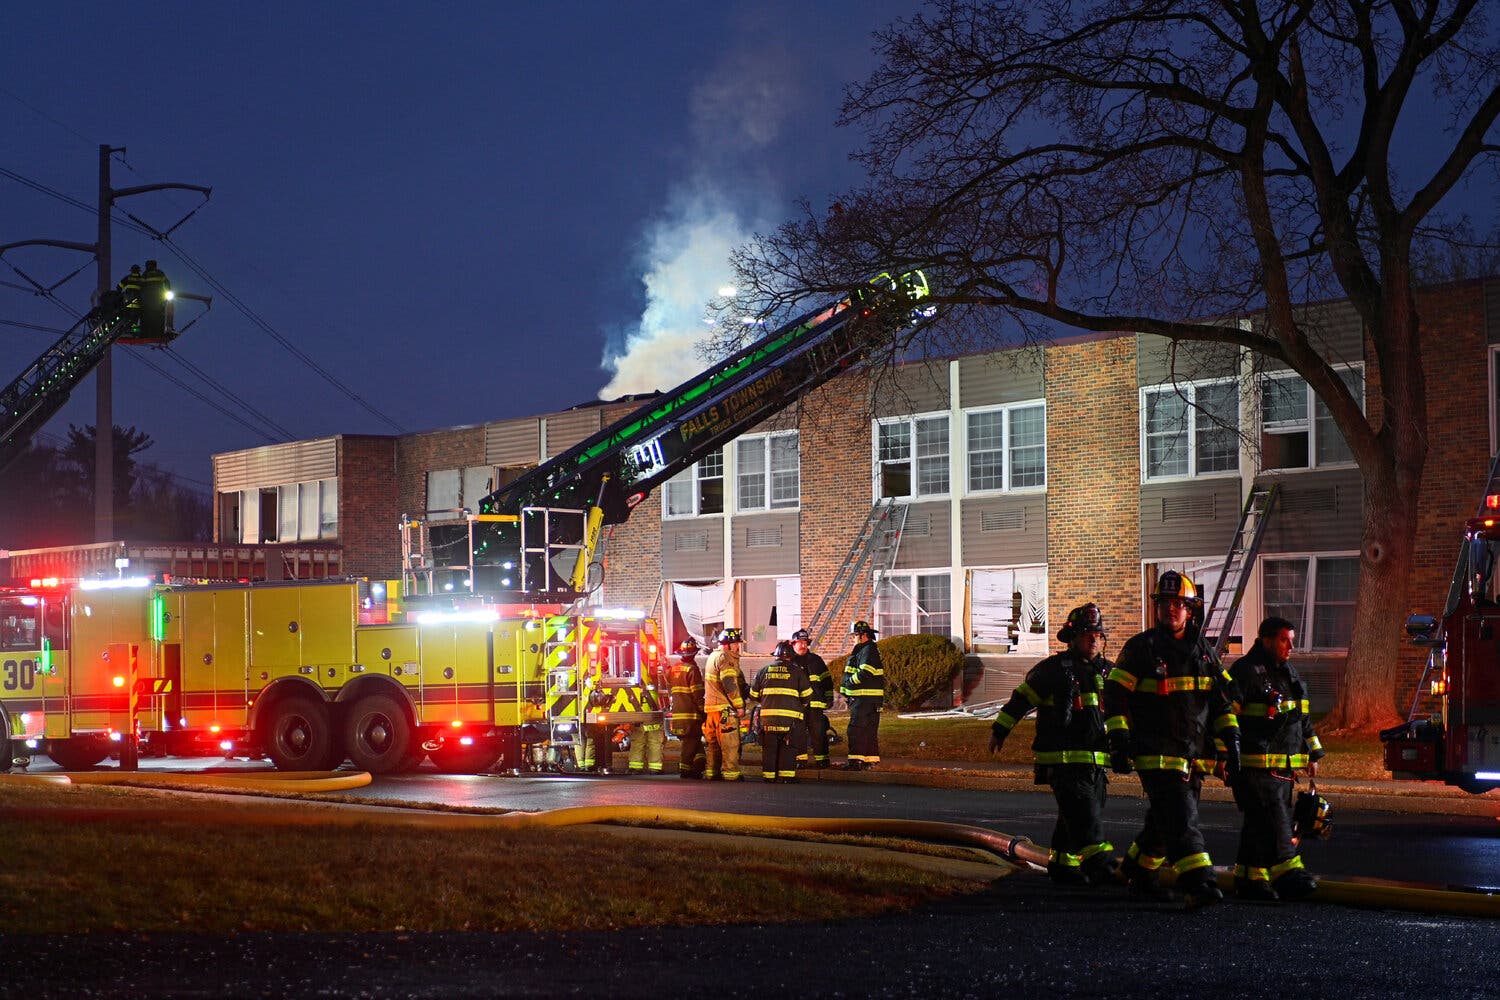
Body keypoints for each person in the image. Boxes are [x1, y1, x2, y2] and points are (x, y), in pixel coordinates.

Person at [1103, 570, 1240, 909]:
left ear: (1191, 610)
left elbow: (1220, 701)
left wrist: (1231, 740)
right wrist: (1119, 738)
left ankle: (1139, 871)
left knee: (1164, 822)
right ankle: (1200, 883)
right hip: (1155, 753)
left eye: (1178, 603)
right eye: (1164, 603)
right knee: (1181, 818)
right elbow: (1115, 694)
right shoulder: (1142, 648)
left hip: (1191, 755)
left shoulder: (1204, 652)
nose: (1170, 609)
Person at [989, 603, 1118, 886]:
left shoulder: (1109, 673)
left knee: (1077, 812)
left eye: (1098, 634)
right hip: (1062, 761)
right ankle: (1102, 867)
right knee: (1086, 814)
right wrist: (1000, 730)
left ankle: (1062, 865)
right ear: (1072, 638)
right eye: (1087, 634)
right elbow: (1020, 700)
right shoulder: (1052, 670)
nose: (1094, 639)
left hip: (1097, 761)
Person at [1227, 616, 1325, 900]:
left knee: (1258, 824)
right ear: (1266, 640)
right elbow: (1227, 717)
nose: (1290, 646)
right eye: (1284, 640)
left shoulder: (1289, 674)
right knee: (1275, 817)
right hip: (1255, 766)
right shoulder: (1245, 672)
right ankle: (1288, 869)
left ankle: (1250, 879)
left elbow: (1302, 718)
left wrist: (1313, 751)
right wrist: (1226, 755)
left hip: (1284, 767)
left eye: (1292, 640)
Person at [751, 640, 812, 782]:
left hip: (768, 719)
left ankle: (769, 777)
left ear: (776, 656)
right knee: (788, 747)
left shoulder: (763, 671)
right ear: (790, 656)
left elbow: (753, 695)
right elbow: (807, 695)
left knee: (769, 748)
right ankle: (786, 777)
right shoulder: (798, 672)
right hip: (789, 720)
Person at [702, 627, 747, 781]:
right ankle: (731, 774)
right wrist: (740, 706)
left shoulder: (712, 656)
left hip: (712, 710)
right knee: (730, 745)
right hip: (725, 710)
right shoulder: (725, 658)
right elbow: (730, 685)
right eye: (736, 644)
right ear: (728, 644)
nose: (738, 647)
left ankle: (711, 772)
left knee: (713, 745)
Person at [840, 620, 884, 770]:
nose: (853, 638)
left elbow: (866, 672)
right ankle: (870, 760)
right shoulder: (867, 649)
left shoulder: (867, 649)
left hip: (863, 698)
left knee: (856, 729)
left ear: (862, 635)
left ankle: (856, 761)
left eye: (855, 635)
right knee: (868, 729)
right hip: (869, 699)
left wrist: (849, 683)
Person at [666, 637, 708, 778]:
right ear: (694, 653)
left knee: (695, 744)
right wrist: (703, 710)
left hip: (678, 715)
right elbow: (697, 693)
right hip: (691, 716)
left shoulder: (674, 668)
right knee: (690, 745)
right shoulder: (692, 669)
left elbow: (669, 685)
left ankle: (698, 767)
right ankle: (685, 770)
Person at [791, 628, 832, 768]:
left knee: (819, 733)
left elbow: (826, 679)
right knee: (798, 733)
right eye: (800, 642)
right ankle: (800, 761)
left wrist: (829, 697)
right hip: (797, 705)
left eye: (805, 642)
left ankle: (822, 760)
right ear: (793, 644)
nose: (803, 645)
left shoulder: (816, 660)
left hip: (815, 704)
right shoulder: (789, 661)